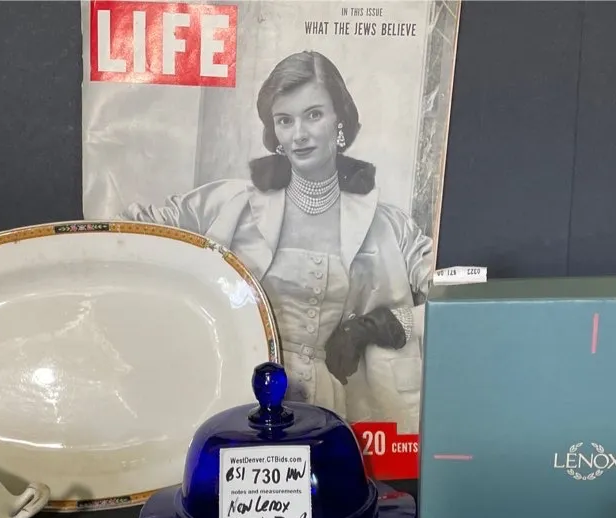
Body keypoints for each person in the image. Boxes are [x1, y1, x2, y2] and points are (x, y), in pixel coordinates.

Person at [122, 50, 433, 426]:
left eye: (313, 115)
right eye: (285, 120)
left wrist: (380, 325)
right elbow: (128, 232)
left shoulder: (387, 225)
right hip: (237, 400)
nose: (299, 134)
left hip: (337, 409)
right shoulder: (228, 204)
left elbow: (456, 299)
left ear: (340, 120)